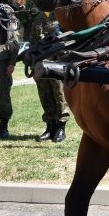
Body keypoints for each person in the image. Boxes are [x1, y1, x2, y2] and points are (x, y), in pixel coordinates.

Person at [29, 11, 70, 143]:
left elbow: (68, 39)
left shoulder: (60, 15)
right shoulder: (38, 18)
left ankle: (61, 128)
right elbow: (33, 43)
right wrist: (33, 66)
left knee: (59, 94)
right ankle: (50, 127)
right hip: (41, 64)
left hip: (57, 62)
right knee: (45, 95)